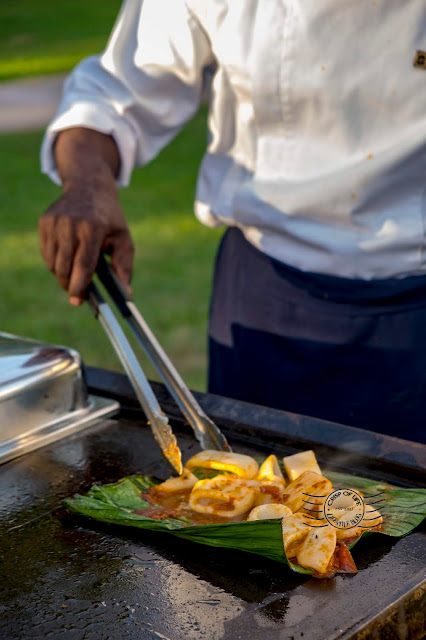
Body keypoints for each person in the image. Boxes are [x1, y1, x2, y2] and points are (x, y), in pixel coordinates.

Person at [40, 1, 426, 443]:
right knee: (248, 496)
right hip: (266, 304)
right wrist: (87, 186)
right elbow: (115, 94)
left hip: (417, 306)